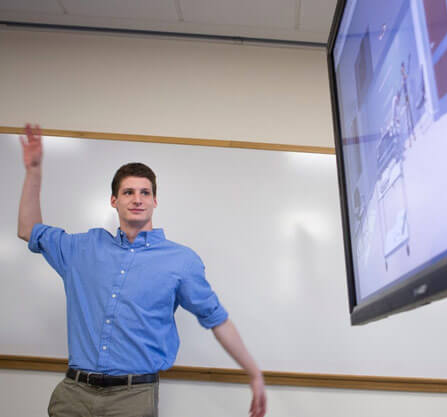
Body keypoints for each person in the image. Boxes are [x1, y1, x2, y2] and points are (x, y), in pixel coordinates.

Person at [17, 124, 267, 417]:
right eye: (128, 192)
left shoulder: (180, 261)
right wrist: (33, 171)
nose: (137, 199)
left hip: (133, 398)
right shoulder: (81, 249)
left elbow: (217, 319)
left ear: (154, 201)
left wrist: (254, 372)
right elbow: (27, 230)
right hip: (73, 394)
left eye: (145, 192)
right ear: (114, 200)